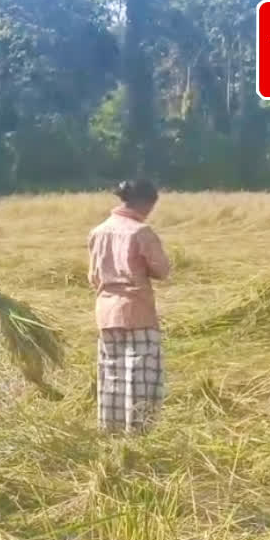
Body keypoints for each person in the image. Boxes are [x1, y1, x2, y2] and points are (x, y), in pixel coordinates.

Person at [89, 179, 170, 435]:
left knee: (112, 373)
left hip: (106, 311)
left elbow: (93, 277)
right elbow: (162, 270)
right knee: (140, 376)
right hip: (137, 311)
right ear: (147, 203)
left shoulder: (98, 231)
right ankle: (137, 433)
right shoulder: (141, 232)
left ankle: (110, 430)